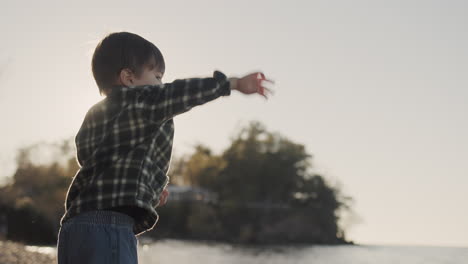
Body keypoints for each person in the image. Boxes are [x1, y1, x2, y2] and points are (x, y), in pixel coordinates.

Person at [56, 31, 273, 264]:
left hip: (74, 228)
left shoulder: (95, 114)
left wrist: (148, 189)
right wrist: (233, 83)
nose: (161, 84)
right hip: (109, 227)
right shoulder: (141, 101)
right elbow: (179, 94)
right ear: (128, 77)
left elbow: (95, 159)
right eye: (158, 77)